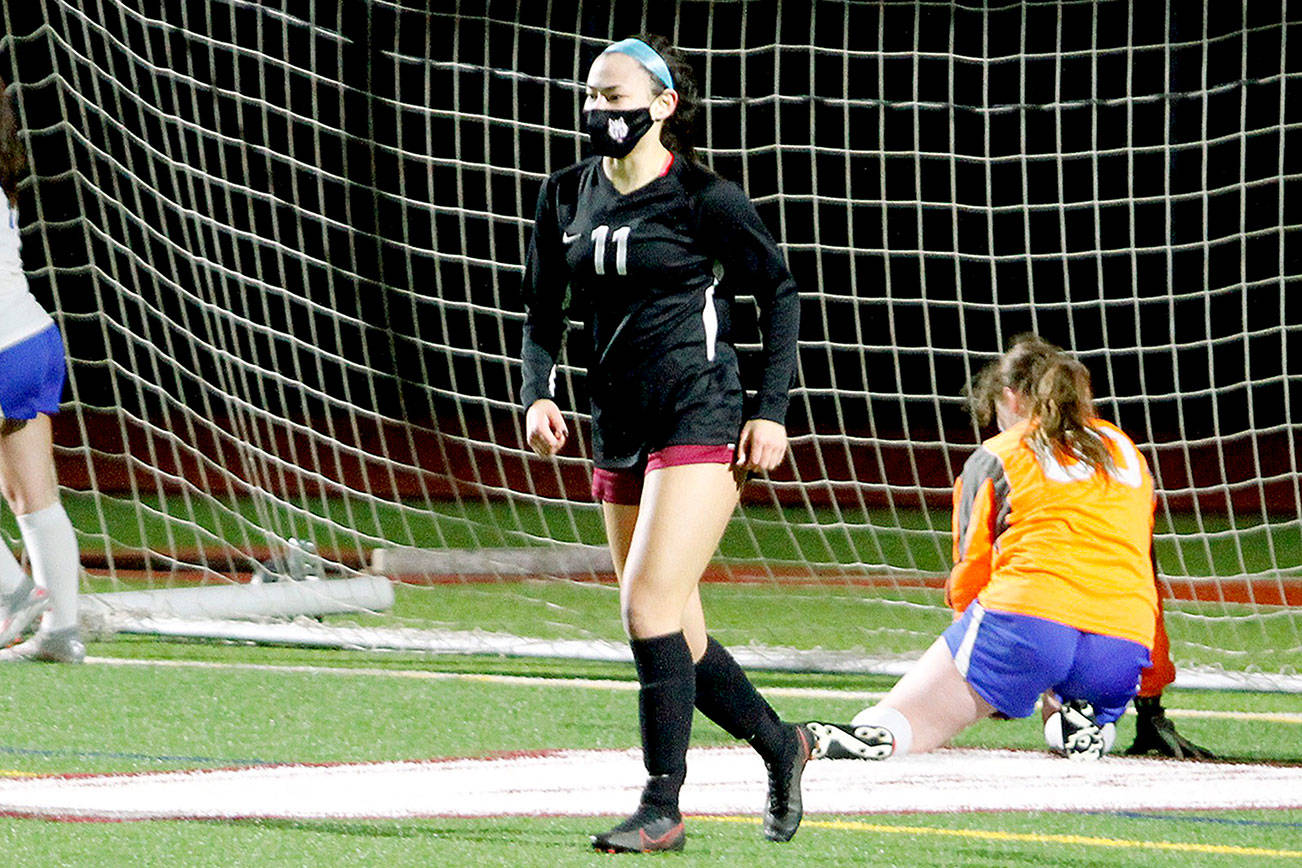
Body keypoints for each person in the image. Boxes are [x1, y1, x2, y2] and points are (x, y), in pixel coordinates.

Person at [520, 35, 808, 853]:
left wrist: (771, 410)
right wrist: (536, 393)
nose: (598, 111)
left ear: (662, 106)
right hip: (616, 424)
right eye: (591, 97)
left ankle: (663, 804)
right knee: (674, 630)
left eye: (615, 98)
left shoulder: (704, 198)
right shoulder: (564, 194)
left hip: (700, 414)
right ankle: (780, 745)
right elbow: (543, 314)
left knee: (643, 605)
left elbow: (778, 290)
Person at [806, 334, 1162, 763]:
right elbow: (1146, 565)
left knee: (900, 723)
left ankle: (874, 734)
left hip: (1029, 622)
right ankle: (1078, 724)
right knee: (1066, 672)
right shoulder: (1126, 452)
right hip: (1122, 643)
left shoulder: (1001, 453)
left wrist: (975, 659)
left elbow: (971, 569)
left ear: (1010, 397)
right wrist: (1152, 681)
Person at [0, 75, 84, 663]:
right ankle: (62, 631)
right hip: (33, 339)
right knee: (33, 494)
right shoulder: (4, 174)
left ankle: (11, 592)